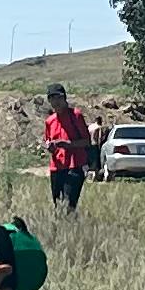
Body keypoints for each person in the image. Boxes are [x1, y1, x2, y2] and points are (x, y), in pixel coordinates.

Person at [41, 84, 100, 216]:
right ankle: (62, 232)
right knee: (58, 205)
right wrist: (49, 146)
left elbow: (86, 141)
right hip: (57, 166)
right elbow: (46, 141)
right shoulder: (50, 121)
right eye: (52, 99)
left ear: (64, 98)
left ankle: (72, 230)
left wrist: (68, 144)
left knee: (69, 204)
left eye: (58, 98)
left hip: (75, 165)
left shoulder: (76, 116)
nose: (55, 102)